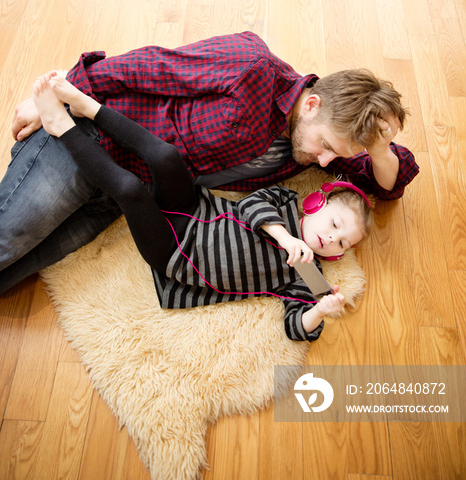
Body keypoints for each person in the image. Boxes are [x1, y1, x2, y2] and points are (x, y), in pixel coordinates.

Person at [0, 32, 418, 294]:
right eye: (325, 145)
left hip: (118, 196)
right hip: (88, 140)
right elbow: (148, 66)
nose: (324, 161)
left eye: (337, 156)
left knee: (16, 271)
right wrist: (59, 94)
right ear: (311, 104)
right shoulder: (252, 65)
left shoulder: (316, 148)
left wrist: (378, 149)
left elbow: (386, 188)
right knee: (5, 244)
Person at [31, 73, 375, 342]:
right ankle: (88, 106)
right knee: (165, 156)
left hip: (177, 256)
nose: (332, 239)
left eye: (342, 242)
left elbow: (296, 327)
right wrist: (285, 238)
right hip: (195, 210)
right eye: (334, 224)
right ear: (315, 203)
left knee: (130, 190)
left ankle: (61, 127)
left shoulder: (308, 274)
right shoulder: (284, 203)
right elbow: (252, 207)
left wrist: (320, 309)